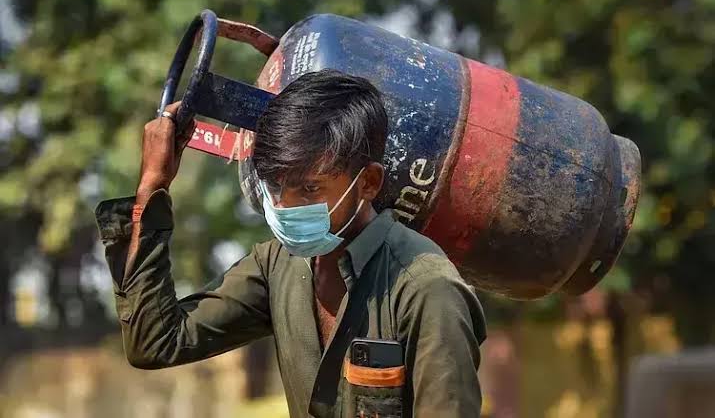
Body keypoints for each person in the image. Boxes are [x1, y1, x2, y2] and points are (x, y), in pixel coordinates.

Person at [95, 69, 487, 417]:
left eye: (309, 189)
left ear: (367, 182)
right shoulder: (276, 265)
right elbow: (156, 342)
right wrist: (152, 186)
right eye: (277, 186)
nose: (284, 207)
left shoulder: (426, 290)